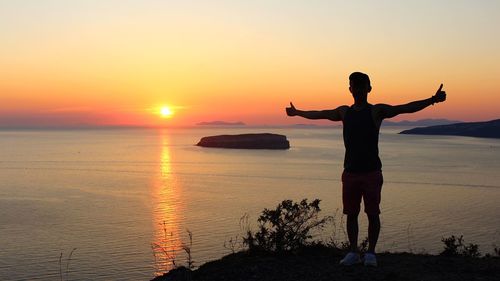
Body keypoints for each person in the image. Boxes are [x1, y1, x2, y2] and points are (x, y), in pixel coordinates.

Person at [285, 72, 446, 267]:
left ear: (369, 88)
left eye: (363, 86)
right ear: (350, 89)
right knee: (351, 214)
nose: (359, 90)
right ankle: (353, 252)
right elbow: (320, 113)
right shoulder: (344, 112)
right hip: (350, 173)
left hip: (371, 173)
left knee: (372, 214)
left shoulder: (376, 111)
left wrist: (432, 100)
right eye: (355, 86)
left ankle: (370, 253)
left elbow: (405, 108)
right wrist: (298, 112)